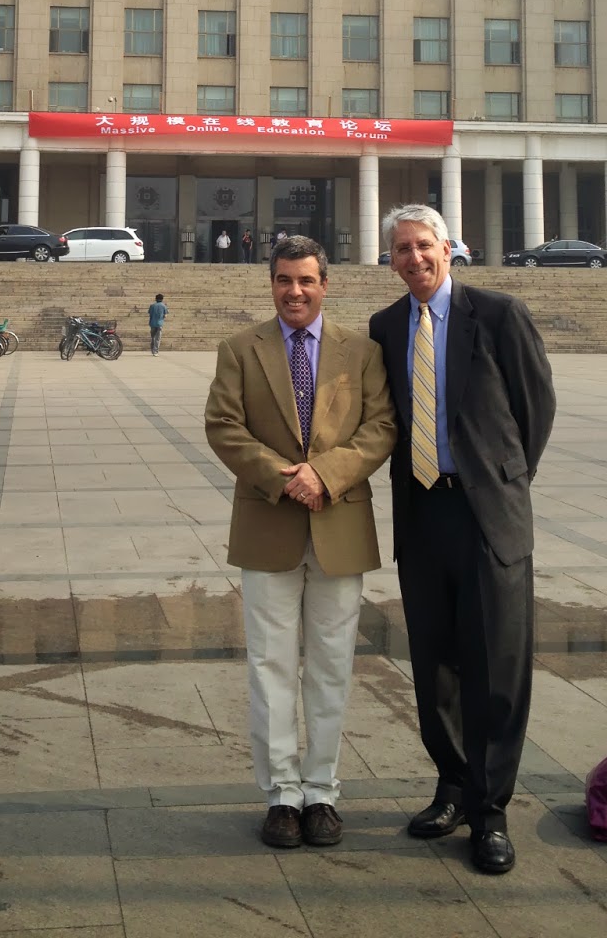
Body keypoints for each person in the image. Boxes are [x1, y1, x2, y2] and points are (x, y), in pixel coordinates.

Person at [368, 204, 556, 877]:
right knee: (435, 665)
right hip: (421, 516)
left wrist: (502, 478)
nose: (413, 259)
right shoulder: (385, 326)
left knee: (495, 668)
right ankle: (451, 786)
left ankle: (491, 811)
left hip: (485, 515)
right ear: (389, 259)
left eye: (423, 246)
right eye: (400, 250)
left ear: (449, 247)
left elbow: (536, 409)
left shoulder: (498, 315)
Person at [206, 235, 396, 850]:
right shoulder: (240, 349)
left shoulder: (361, 351)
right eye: (285, 280)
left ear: (325, 283)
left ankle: (322, 792)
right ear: (272, 283)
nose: (295, 291)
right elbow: (223, 427)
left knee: (332, 666)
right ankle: (282, 794)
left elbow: (382, 426)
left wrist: (327, 476)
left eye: (306, 280)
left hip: (339, 523)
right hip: (269, 523)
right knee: (270, 666)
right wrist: (286, 478)